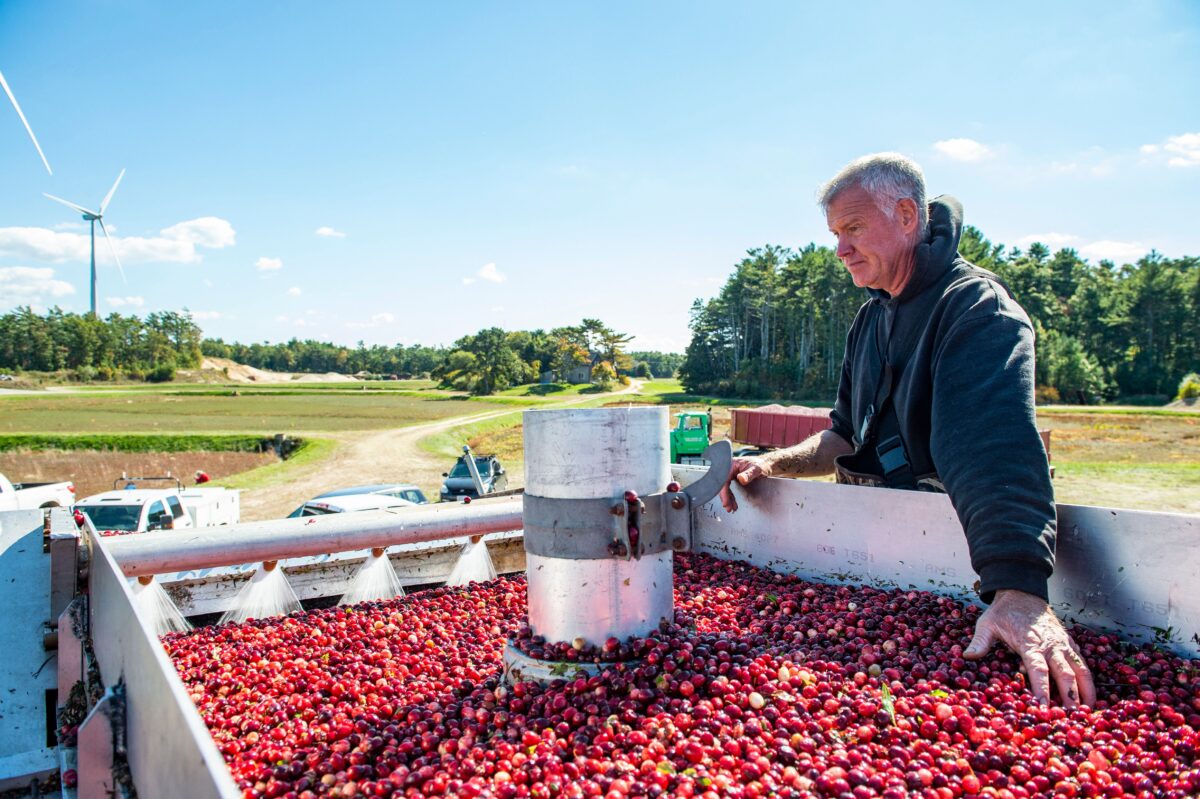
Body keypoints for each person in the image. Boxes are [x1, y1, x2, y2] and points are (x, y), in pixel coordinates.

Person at [720, 153, 1095, 709]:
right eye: (834, 234)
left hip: (957, 567)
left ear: (905, 216)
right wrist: (771, 463)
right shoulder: (871, 319)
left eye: (852, 229)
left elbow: (992, 450)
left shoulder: (976, 310)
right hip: (873, 568)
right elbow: (845, 437)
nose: (840, 249)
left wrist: (1017, 588)